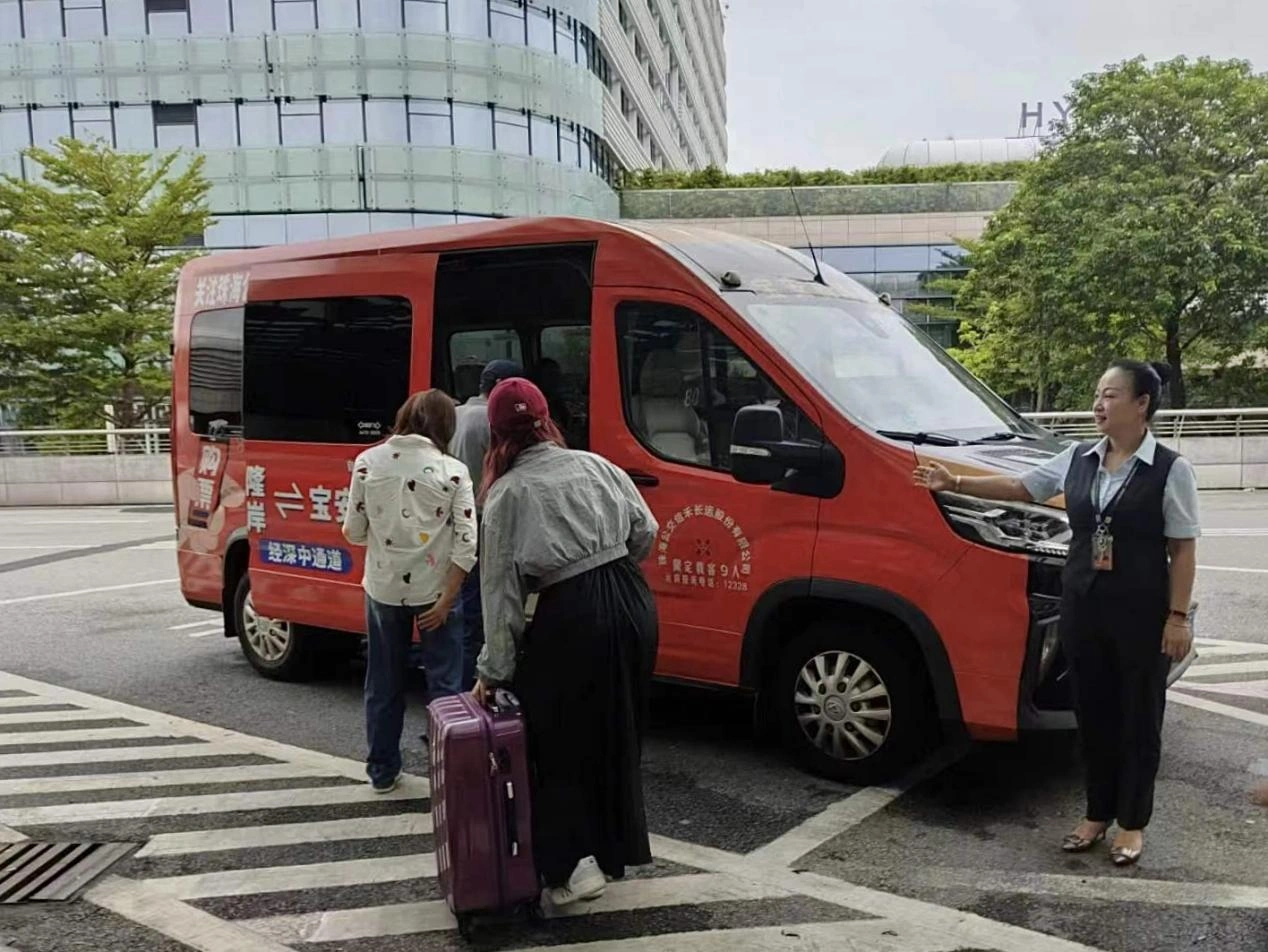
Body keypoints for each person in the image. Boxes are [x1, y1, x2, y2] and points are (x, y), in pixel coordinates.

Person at [914, 360, 1200, 867]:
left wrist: (1176, 618)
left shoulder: (1170, 470)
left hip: (1142, 612)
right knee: (1092, 714)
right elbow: (1022, 489)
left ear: (1142, 405)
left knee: (1138, 717)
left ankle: (1132, 823)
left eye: (1111, 395)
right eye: (1097, 395)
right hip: (1084, 606)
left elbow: (1182, 549)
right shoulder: (1078, 457)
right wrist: (952, 479)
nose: (1098, 405)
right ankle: (1096, 813)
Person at [472, 377, 659, 907]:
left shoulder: (507, 493)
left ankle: (572, 866)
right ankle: (612, 848)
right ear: (546, 418)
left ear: (496, 433)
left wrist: (494, 670)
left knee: (554, 735)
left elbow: (499, 594)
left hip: (574, 610)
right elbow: (646, 531)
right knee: (616, 725)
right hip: (632, 598)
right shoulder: (597, 465)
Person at [342, 390, 477, 793]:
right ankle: (450, 774)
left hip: (383, 591)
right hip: (437, 593)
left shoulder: (367, 463)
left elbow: (354, 530)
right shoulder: (453, 470)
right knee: (445, 684)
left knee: (383, 681)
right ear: (445, 425)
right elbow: (468, 542)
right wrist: (448, 598)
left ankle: (382, 771)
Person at [451, 359, 523, 688]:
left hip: (452, 522)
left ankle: (452, 693)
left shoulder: (453, 414)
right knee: (481, 610)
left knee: (461, 608)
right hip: (485, 521)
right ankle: (474, 690)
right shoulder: (494, 421)